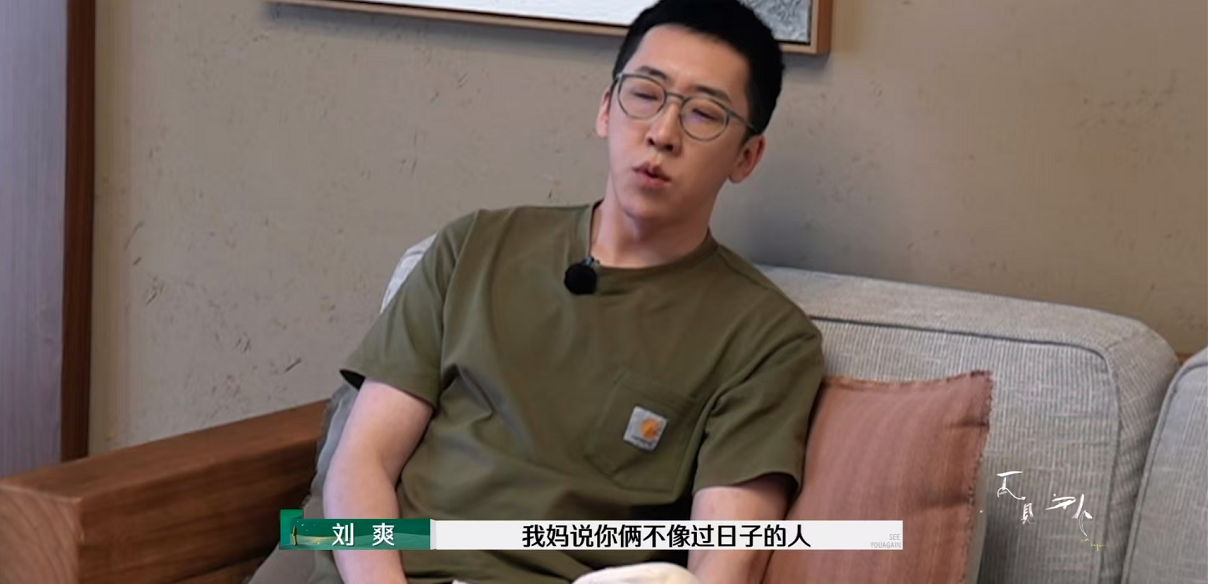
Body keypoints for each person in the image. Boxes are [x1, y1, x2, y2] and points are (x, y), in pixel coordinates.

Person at [312, 0, 825, 582]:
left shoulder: (766, 339)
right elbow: (362, 460)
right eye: (645, 94)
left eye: (705, 114)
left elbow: (726, 558)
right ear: (606, 109)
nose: (662, 134)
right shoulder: (475, 246)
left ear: (746, 156)